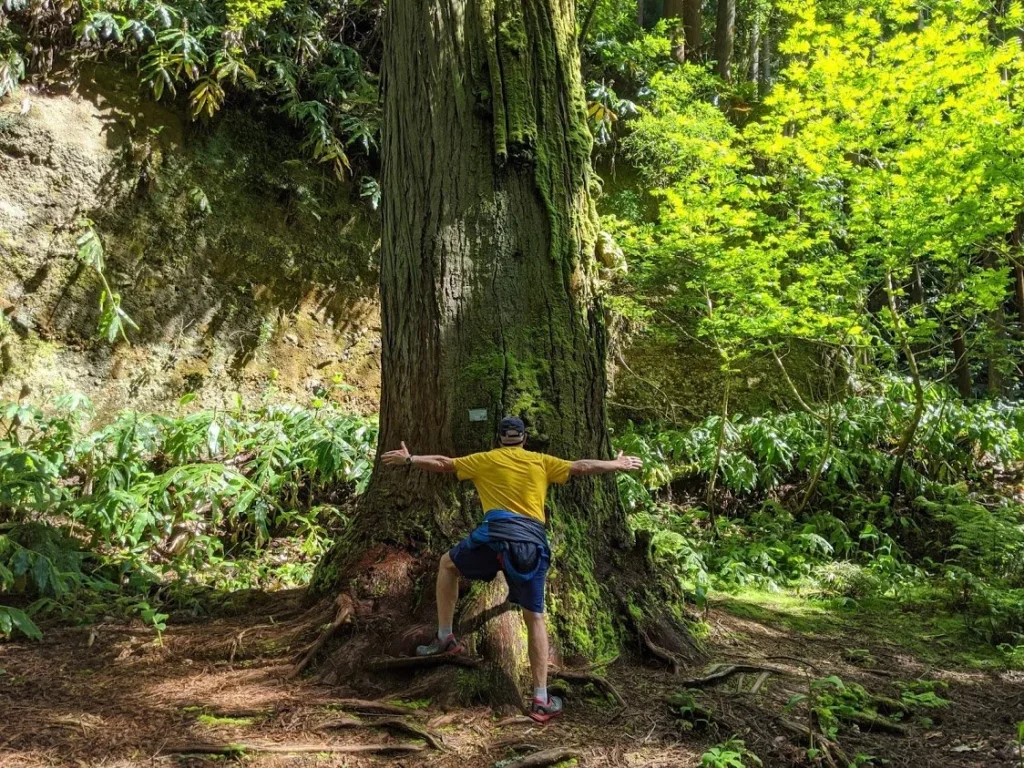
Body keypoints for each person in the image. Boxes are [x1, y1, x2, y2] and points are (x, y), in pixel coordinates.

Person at [381, 416, 642, 723]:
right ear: (524, 438)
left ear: (499, 438)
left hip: (493, 538)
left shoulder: (486, 459)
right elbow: (581, 466)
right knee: (535, 618)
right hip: (530, 543)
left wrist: (410, 458)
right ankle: (541, 699)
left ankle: (445, 637)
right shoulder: (541, 461)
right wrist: (617, 464)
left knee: (447, 564)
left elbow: (443, 463)